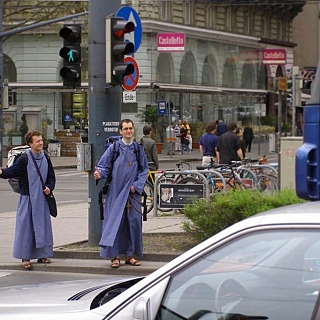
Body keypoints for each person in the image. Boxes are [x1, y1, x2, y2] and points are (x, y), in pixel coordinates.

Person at [94, 119, 148, 268]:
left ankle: (130, 255)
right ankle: (114, 256)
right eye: (125, 129)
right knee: (115, 222)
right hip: (116, 191)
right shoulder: (114, 148)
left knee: (133, 223)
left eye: (130, 128)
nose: (128, 131)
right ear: (120, 131)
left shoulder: (138, 149)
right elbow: (103, 166)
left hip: (132, 193)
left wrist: (136, 186)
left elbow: (144, 170)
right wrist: (99, 174)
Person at [0, 130, 56, 271]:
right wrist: (2, 172)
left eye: (41, 140)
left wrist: (49, 187)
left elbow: (51, 177)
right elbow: (13, 171)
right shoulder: (24, 158)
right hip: (28, 198)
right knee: (26, 228)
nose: (41, 143)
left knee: (42, 227)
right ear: (30, 144)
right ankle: (25, 257)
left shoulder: (46, 157)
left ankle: (42, 255)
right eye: (37, 141)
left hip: (42, 199)